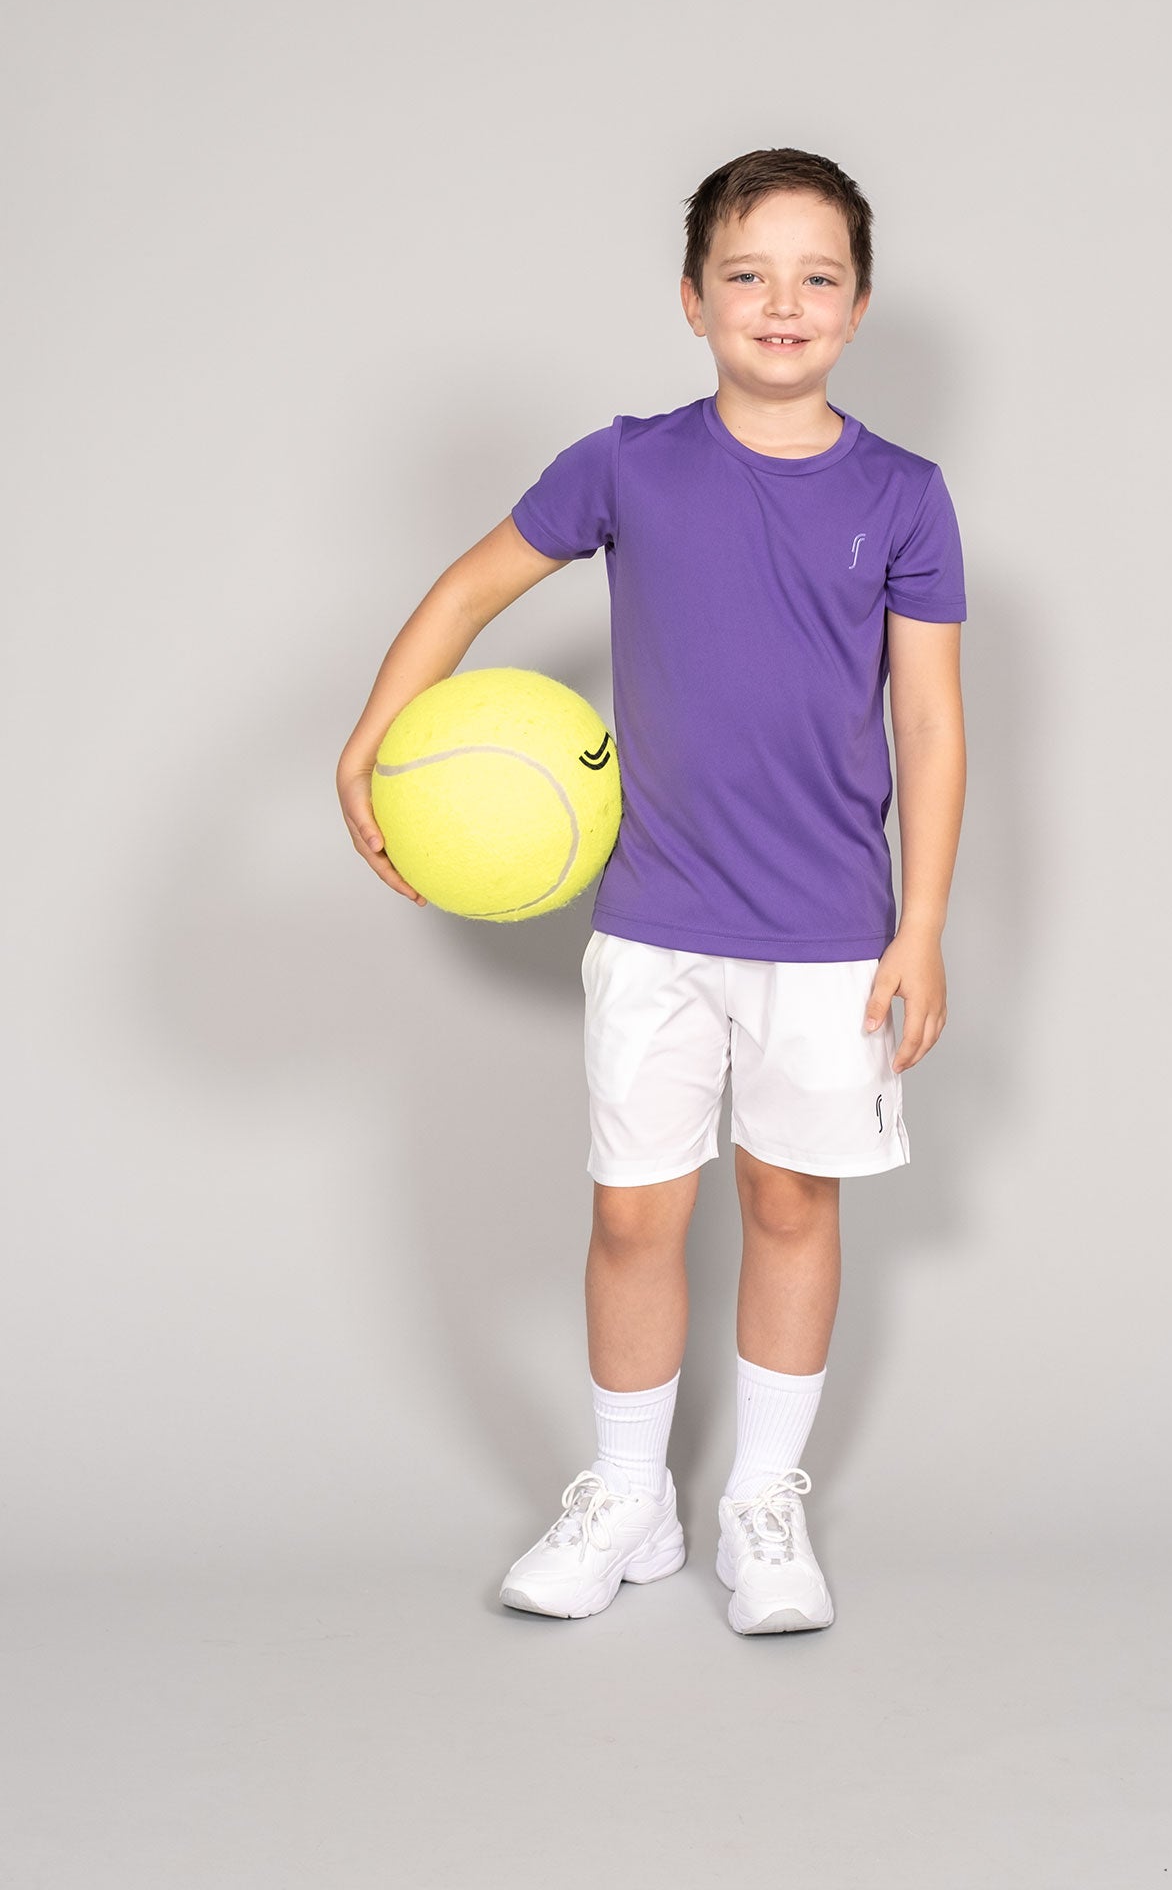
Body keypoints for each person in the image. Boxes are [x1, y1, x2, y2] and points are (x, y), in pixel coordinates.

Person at [336, 146, 967, 1635]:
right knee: (632, 1219)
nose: (781, 301)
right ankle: (628, 1497)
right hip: (654, 926)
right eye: (746, 272)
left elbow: (931, 723)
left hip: (828, 934)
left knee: (789, 1201)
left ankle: (763, 1506)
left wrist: (922, 923)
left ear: (858, 303)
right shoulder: (626, 466)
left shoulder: (904, 495)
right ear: (692, 298)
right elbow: (469, 589)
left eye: (816, 275)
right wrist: (371, 738)